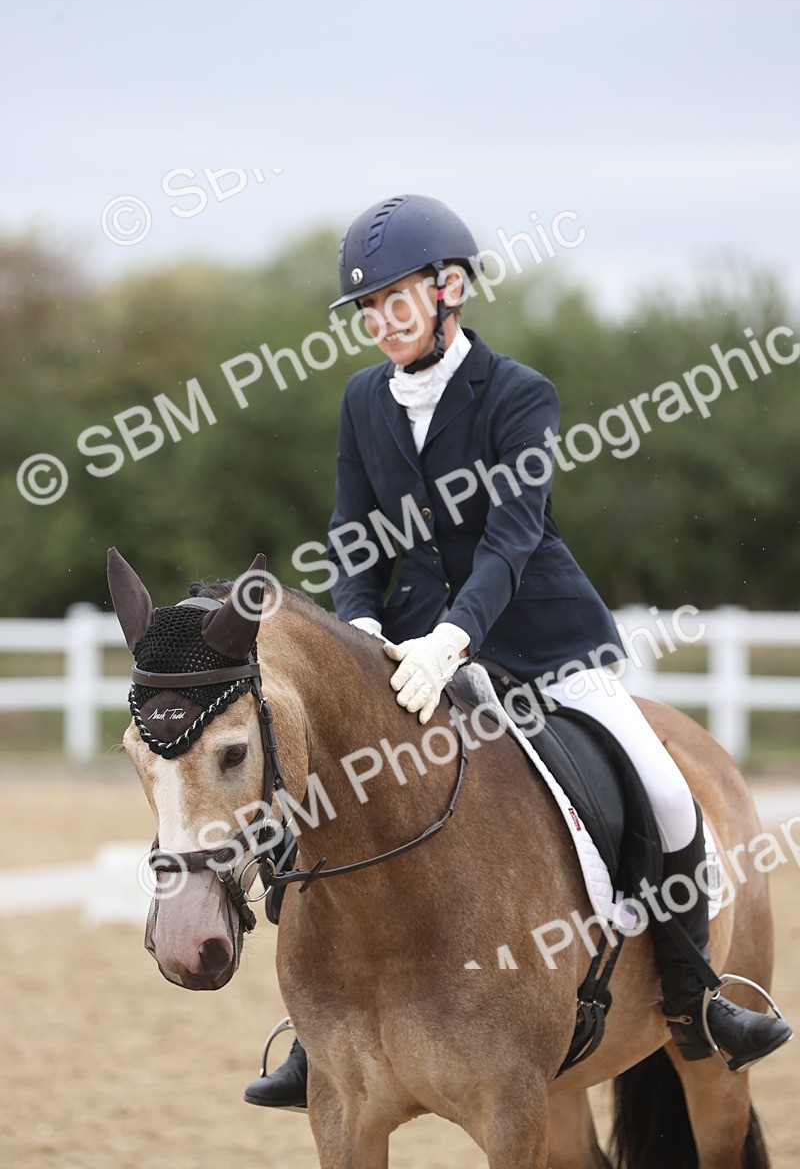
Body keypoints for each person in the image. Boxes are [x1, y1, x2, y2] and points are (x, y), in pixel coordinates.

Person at [244, 194, 791, 1109]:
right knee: (339, 799)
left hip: (542, 646)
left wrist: (454, 637)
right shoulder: (362, 401)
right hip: (409, 649)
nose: (381, 322)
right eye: (368, 309)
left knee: (664, 793)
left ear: (450, 289)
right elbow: (351, 532)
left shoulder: (518, 394)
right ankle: (319, 1034)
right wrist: (364, 627)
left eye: (396, 300)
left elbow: (511, 536)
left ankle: (698, 998)